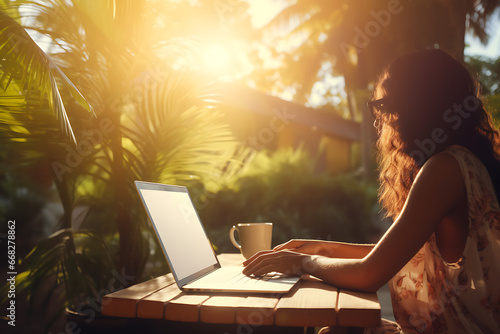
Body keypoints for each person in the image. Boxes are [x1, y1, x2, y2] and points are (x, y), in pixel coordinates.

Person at [242, 48, 500, 333]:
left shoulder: (444, 169)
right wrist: (321, 248)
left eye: (387, 105)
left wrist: (303, 262)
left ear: (415, 105)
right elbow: (400, 253)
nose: (387, 118)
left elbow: (370, 274)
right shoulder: (468, 162)